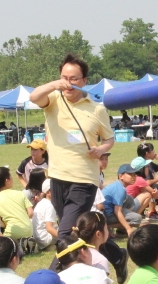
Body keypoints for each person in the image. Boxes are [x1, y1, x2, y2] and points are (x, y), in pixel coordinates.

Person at [29, 54, 115, 240]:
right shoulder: (52, 100)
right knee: (74, 226)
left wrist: (100, 150)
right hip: (58, 176)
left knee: (65, 232)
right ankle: (114, 254)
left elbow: (109, 139)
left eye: (74, 79)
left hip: (84, 178)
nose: (68, 83)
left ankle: (57, 268)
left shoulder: (97, 109)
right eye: (64, 78)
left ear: (83, 81)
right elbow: (34, 96)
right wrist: (54, 85)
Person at [0, 167, 34, 245]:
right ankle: (24, 243)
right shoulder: (20, 193)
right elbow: (31, 213)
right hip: (29, 230)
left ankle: (16, 244)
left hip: (12, 232)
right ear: (7, 181)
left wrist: (5, 225)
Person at [101, 164, 144, 233]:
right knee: (137, 218)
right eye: (131, 174)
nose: (134, 177)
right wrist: (128, 228)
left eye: (134, 174)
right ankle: (106, 226)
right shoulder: (120, 189)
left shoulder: (118, 185)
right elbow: (117, 211)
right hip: (106, 216)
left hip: (107, 211)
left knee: (129, 199)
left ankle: (121, 227)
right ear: (121, 176)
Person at [31, 179, 59, 251]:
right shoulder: (50, 205)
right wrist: (64, 239)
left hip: (38, 238)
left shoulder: (41, 202)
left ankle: (50, 246)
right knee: (66, 232)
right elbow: (49, 228)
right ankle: (50, 245)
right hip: (45, 238)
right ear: (48, 192)